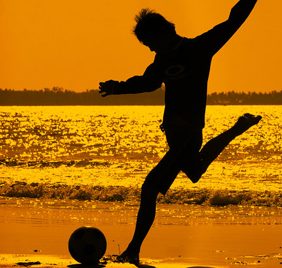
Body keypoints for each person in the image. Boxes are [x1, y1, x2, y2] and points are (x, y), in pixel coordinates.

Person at [98, 0, 260, 263]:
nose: (149, 48)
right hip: (174, 133)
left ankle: (133, 250)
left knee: (150, 187)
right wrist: (119, 87)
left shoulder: (200, 48)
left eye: (149, 42)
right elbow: (148, 83)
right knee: (194, 172)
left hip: (187, 133)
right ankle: (236, 129)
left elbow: (233, 21)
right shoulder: (161, 60)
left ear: (162, 33)